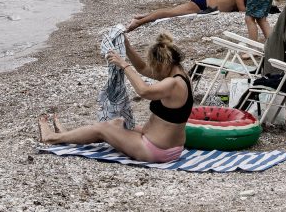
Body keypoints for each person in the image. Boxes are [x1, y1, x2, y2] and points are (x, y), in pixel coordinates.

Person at [38, 33, 191, 163]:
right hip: (170, 147)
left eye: (155, 68)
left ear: (163, 64)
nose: (155, 74)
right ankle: (65, 136)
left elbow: (144, 91)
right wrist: (128, 47)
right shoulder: (182, 77)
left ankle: (51, 138)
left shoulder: (173, 83)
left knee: (102, 129)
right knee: (117, 122)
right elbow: (143, 69)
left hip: (155, 150)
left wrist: (123, 65)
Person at [126, 0, 247, 31]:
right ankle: (139, 22)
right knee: (170, 13)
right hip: (203, 4)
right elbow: (242, 10)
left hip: (205, 2)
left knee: (171, 11)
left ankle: (143, 17)